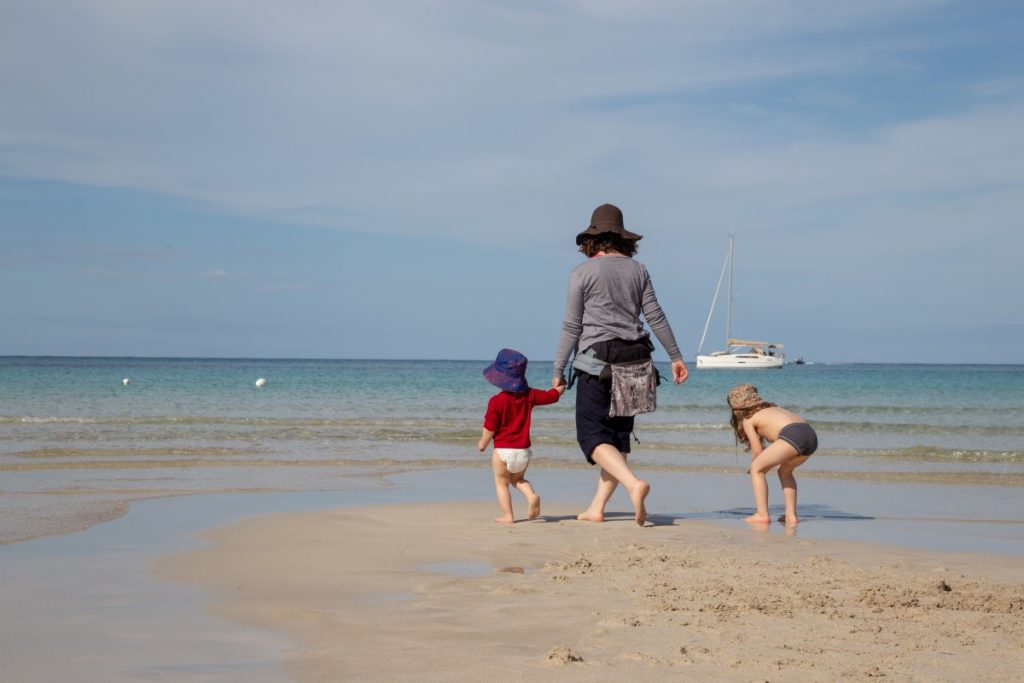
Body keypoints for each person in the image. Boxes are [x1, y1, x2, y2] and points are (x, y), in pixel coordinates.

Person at [552, 203, 688, 526]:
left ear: (592, 239)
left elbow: (572, 326)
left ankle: (633, 484)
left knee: (592, 437)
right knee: (617, 439)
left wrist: (558, 370)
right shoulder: (638, 269)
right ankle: (597, 508)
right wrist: (676, 356)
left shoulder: (581, 273)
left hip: (597, 361)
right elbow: (655, 316)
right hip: (637, 360)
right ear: (623, 238)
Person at [478, 348, 564, 524]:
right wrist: (560, 387)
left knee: (501, 483)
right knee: (518, 479)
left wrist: (482, 444)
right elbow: (551, 396)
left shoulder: (496, 401)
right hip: (523, 451)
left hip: (502, 450)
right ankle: (531, 495)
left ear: (500, 378)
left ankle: (508, 515)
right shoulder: (530, 395)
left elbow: (490, 428)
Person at [727, 383, 818, 527]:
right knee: (785, 472)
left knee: (757, 469)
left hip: (792, 434)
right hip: (810, 435)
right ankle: (791, 516)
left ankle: (762, 515)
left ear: (737, 409)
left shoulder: (748, 419)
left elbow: (757, 451)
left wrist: (755, 467)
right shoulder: (773, 408)